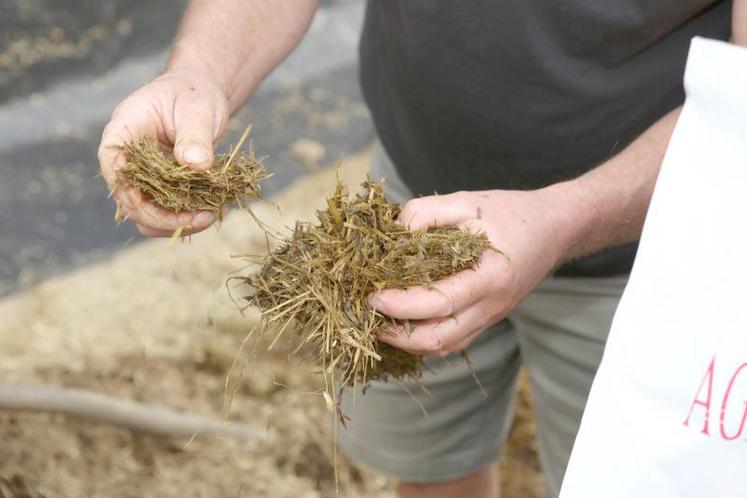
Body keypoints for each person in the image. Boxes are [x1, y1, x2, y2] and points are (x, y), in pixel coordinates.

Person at [98, 1, 747, 497]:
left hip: (646, 258)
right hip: (408, 206)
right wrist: (199, 76)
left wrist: (562, 219)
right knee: (429, 464)